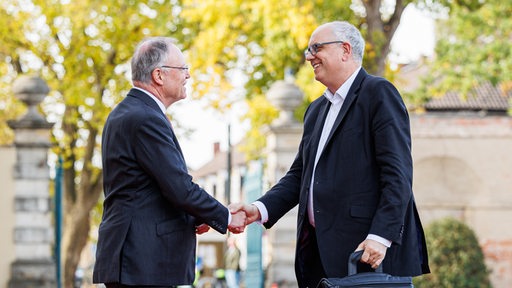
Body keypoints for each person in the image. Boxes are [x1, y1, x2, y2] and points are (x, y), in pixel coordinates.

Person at [230, 21, 430, 287]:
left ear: (345, 50)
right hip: (319, 255)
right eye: (308, 50)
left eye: (316, 48)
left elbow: (398, 174)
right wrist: (259, 208)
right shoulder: (316, 110)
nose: (309, 56)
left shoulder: (378, 94)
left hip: (367, 253)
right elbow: (299, 176)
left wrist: (381, 236)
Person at [93, 37, 246, 288]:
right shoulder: (144, 118)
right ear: (159, 75)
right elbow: (178, 187)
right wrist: (226, 216)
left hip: (136, 260)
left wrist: (197, 216)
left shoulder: (128, 112)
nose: (188, 76)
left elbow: (147, 188)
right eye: (183, 69)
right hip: (142, 261)